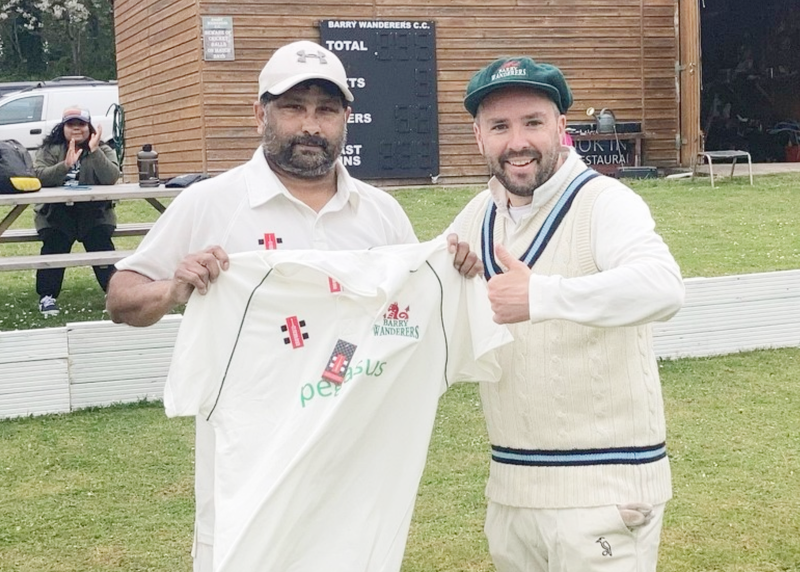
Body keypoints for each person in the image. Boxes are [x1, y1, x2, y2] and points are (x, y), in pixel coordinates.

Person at [105, 40, 477, 572]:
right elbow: (121, 297)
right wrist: (172, 290)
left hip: (353, 460)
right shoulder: (211, 202)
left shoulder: (381, 212)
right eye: (293, 107)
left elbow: (404, 316)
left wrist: (451, 272)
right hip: (251, 459)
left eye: (326, 110)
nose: (310, 125)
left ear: (347, 117)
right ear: (261, 112)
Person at [446, 56, 686, 571]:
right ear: (478, 137)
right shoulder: (475, 216)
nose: (517, 142)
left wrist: (543, 297)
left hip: (604, 488)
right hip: (513, 485)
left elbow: (663, 287)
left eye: (532, 122)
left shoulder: (603, 202)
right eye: (500, 126)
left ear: (560, 126)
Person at [33, 107, 120, 316]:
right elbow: (38, 176)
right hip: (56, 211)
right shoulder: (50, 149)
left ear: (88, 127)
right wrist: (65, 165)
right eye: (71, 124)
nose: (76, 129)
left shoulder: (104, 148)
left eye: (81, 124)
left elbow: (111, 177)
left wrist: (95, 150)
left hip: (94, 211)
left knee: (101, 243)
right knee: (55, 243)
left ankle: (115, 294)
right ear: (63, 127)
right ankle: (47, 296)